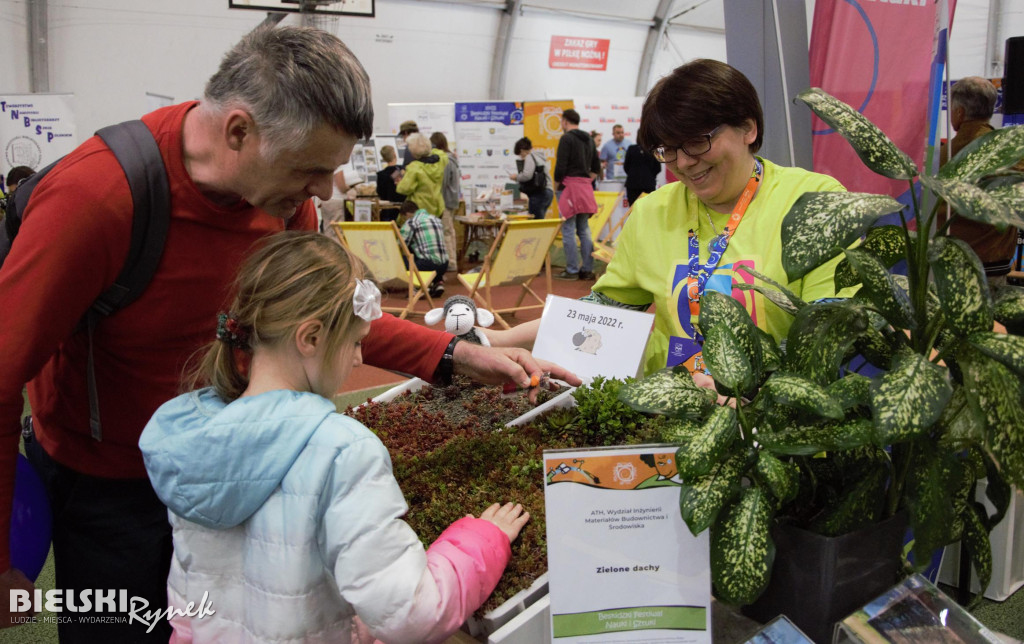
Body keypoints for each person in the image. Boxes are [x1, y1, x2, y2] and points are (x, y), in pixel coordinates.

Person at [0, 25, 578, 639]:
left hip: (239, 470)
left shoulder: (283, 202)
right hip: (108, 494)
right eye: (310, 168)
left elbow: (325, 319)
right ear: (239, 132)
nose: (323, 191)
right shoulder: (98, 198)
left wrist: (456, 354)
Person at [139, 231, 529, 642]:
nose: (361, 358)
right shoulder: (343, 451)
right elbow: (411, 614)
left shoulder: (191, 439)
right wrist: (484, 541)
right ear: (310, 338)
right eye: (356, 342)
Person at [483, 59, 851, 388]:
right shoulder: (652, 212)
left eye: (697, 142)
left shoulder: (813, 201)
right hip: (673, 416)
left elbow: (830, 328)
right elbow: (602, 312)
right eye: (667, 150)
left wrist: (755, 388)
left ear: (748, 129)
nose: (684, 163)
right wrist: (492, 342)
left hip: (777, 430)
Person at [938, 76, 1019, 289]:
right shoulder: (1012, 150)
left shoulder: (944, 155)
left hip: (955, 265)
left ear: (959, 112)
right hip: (996, 266)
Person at [554, 108, 600, 281]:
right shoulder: (589, 138)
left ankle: (572, 269)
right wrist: (586, 180)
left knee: (568, 229)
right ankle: (587, 269)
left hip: (569, 187)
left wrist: (557, 185)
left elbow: (560, 167)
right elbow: (596, 168)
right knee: (584, 229)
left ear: (565, 121)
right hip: (585, 188)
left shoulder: (566, 139)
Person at [399, 199, 448, 298]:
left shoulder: (411, 222)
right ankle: (437, 282)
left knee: (402, 259)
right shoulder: (435, 219)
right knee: (428, 252)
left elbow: (401, 243)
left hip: (427, 265)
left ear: (407, 214)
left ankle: (419, 286)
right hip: (444, 264)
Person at [396, 132, 447, 219]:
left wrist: (399, 182)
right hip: (437, 208)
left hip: (418, 209)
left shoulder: (414, 167)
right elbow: (438, 153)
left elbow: (404, 189)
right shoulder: (441, 160)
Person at [430, 131, 460, 272]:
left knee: (446, 231)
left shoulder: (446, 160)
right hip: (451, 199)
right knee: (450, 231)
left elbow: (443, 182)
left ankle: (451, 262)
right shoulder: (451, 159)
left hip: (446, 201)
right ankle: (451, 259)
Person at [511, 137, 554, 220]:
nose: (521, 156)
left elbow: (527, 175)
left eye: (520, 153)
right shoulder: (539, 157)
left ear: (523, 150)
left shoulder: (529, 157)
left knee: (534, 222)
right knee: (539, 221)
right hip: (548, 192)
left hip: (539, 193)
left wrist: (516, 177)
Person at [375, 144, 402, 222]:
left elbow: (379, 192)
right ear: (394, 154)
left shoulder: (381, 175)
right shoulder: (400, 171)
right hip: (400, 211)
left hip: (386, 211)